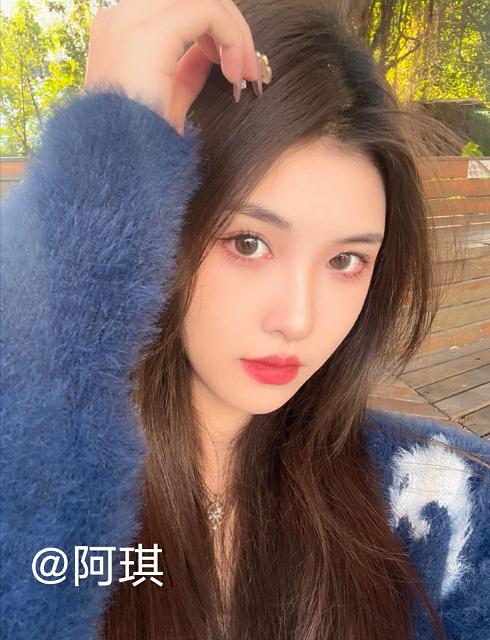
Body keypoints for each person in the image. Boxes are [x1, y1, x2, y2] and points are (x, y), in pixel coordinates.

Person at [1, 0, 489, 638]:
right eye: (248, 243)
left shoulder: (442, 505)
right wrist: (95, 199)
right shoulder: (42, 471)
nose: (298, 319)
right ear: (159, 226)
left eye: (345, 260)